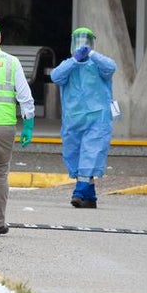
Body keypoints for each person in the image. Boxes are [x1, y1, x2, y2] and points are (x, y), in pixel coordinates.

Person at [50, 26, 117, 208]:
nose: (82, 46)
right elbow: (55, 76)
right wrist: (74, 60)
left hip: (97, 119)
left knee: (90, 153)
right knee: (74, 154)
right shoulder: (69, 65)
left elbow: (111, 67)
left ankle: (79, 192)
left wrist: (92, 54)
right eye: (78, 42)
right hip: (73, 120)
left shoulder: (98, 64)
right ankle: (90, 197)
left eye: (86, 42)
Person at [0, 20, 35, 237]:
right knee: (0, 173)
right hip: (5, 127)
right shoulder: (12, 62)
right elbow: (25, 97)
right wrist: (29, 125)